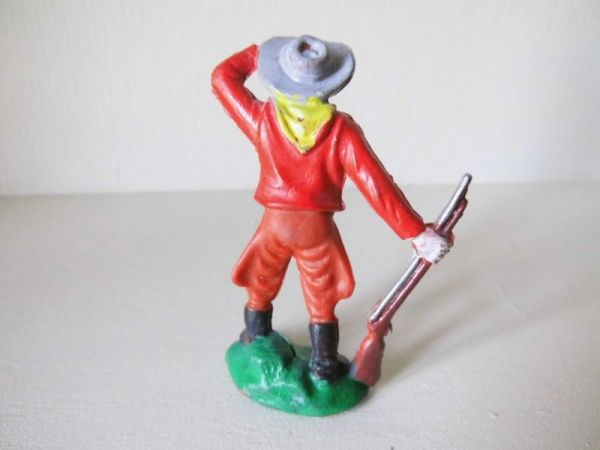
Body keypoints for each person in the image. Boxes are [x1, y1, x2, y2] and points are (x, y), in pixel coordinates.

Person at [212, 35, 450, 382]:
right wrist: (416, 233)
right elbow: (377, 186)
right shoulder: (341, 132)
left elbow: (222, 78)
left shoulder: (262, 119)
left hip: (274, 224)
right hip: (316, 230)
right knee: (321, 295)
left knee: (261, 278)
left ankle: (257, 332)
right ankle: (323, 362)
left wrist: (258, 55)